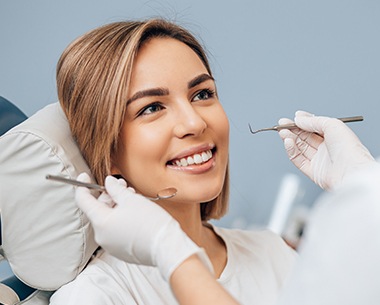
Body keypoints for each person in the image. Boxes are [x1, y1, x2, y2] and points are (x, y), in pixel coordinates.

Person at [49, 18, 376, 305]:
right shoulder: (97, 295)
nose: (194, 123)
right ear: (106, 151)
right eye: (151, 108)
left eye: (202, 94)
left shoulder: (272, 252)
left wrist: (361, 187)